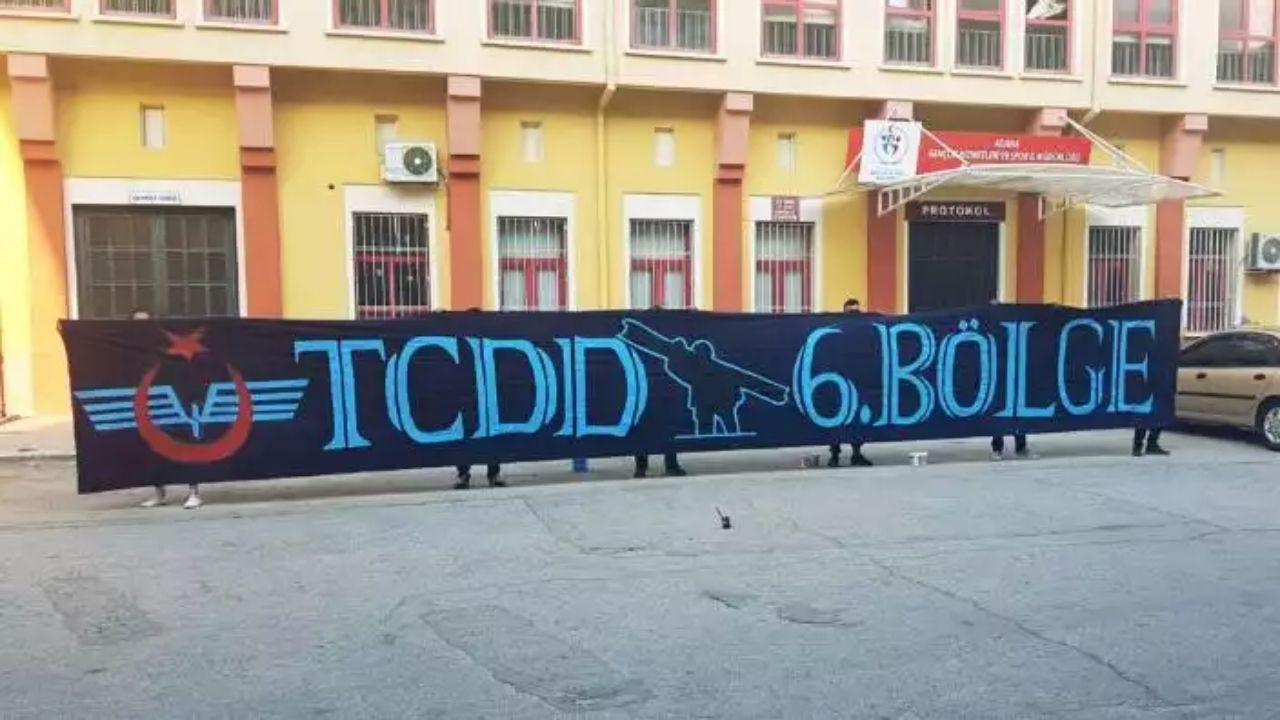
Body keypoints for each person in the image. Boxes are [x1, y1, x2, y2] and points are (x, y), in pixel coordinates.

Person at [129, 309, 205, 510]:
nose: (141, 327)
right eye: (136, 322)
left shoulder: (165, 343)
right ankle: (159, 494)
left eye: (146, 322)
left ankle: (194, 493)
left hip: (178, 400)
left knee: (185, 445)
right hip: (151, 403)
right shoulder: (128, 348)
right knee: (153, 449)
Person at [828, 298, 873, 468]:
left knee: (858, 418)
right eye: (851, 311)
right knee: (836, 419)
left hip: (858, 378)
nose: (855, 315)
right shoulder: (835, 327)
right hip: (838, 378)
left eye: (857, 311)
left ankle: (856, 454)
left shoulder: (863, 329)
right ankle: (834, 455)